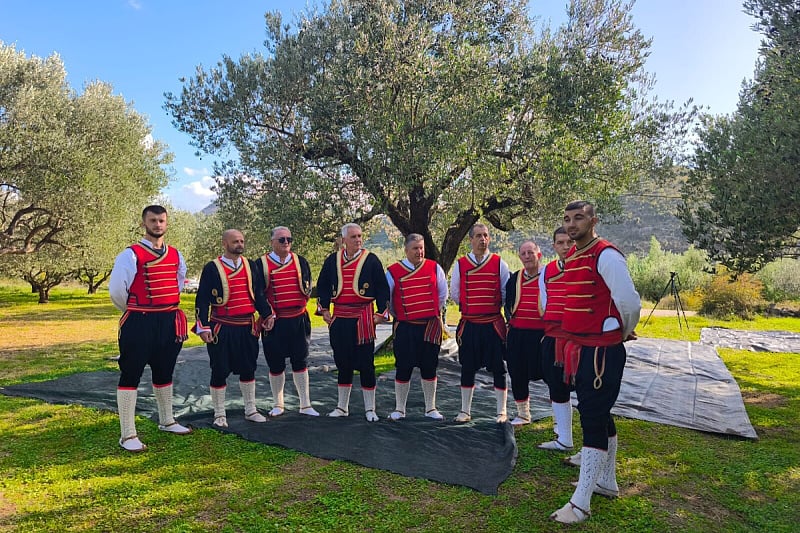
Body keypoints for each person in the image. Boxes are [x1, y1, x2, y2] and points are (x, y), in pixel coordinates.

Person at [549, 201, 641, 525]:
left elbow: (629, 302)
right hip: (583, 349)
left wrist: (620, 332)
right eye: (567, 219)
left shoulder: (606, 255)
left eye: (578, 218)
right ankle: (607, 481)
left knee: (592, 419)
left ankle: (581, 503)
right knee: (600, 415)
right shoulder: (575, 255)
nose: (571, 224)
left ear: (593, 221)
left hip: (602, 352)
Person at [109, 205, 192, 452]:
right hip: (139, 321)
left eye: (161, 220)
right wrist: (138, 309)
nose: (158, 224)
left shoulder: (176, 254)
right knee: (131, 373)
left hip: (168, 321)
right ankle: (127, 434)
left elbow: (178, 283)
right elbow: (117, 291)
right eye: (153, 220)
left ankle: (167, 420)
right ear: (144, 223)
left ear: (167, 223)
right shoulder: (130, 255)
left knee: (165, 371)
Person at [194, 229, 274, 428]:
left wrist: (267, 314)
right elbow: (202, 299)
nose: (240, 244)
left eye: (242, 241)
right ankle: (219, 414)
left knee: (249, 369)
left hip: (247, 327)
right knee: (219, 370)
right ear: (224, 244)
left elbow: (259, 294)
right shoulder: (212, 267)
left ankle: (251, 410)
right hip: (222, 327)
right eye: (235, 241)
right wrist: (203, 327)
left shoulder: (251, 265)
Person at [316, 223, 390, 422]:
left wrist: (380, 313)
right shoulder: (332, 260)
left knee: (366, 365)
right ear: (343, 240)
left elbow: (383, 289)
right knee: (342, 363)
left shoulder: (372, 260)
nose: (358, 240)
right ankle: (342, 407)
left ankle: (370, 409)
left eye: (359, 236)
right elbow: (322, 286)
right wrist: (324, 309)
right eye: (353, 237)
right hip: (340, 319)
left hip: (363, 318)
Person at [449, 223, 511, 423]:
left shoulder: (500, 263)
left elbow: (505, 293)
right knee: (467, 367)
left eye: (485, 235)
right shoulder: (460, 264)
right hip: (470, 325)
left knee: (499, 368)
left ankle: (501, 411)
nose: (482, 239)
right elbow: (455, 293)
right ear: (471, 239)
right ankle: (465, 411)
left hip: (493, 325)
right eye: (478, 236)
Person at [256, 226, 319, 417]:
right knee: (276, 363)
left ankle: (305, 405)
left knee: (301, 361)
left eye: (289, 239)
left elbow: (307, 287)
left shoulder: (301, 261)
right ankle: (278, 404)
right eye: (282, 239)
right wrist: (267, 314)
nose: (286, 243)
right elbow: (257, 294)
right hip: (274, 321)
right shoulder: (261, 264)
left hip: (299, 319)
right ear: (272, 242)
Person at [385, 233, 448, 421]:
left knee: (430, 367)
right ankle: (399, 409)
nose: (419, 252)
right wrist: (402, 316)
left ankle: (430, 408)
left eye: (421, 248)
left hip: (430, 327)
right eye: (415, 248)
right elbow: (388, 301)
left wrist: (429, 313)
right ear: (406, 250)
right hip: (405, 328)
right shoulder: (393, 272)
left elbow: (442, 296)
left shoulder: (435, 268)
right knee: (403, 367)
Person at [538, 227, 579, 458]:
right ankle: (564, 439)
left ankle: (592, 446)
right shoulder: (547, 270)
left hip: (580, 340)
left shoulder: (586, 267)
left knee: (586, 392)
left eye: (569, 242)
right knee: (556, 387)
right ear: (554, 245)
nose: (565, 246)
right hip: (554, 339)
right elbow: (545, 301)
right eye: (560, 242)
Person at [503, 239, 546, 426]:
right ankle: (523, 414)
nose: (527, 256)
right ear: (519, 257)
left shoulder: (548, 276)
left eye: (531, 253)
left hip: (542, 335)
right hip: (518, 334)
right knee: (517, 373)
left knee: (550, 375)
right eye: (523, 253)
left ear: (539, 255)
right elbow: (508, 304)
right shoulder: (514, 278)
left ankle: (559, 417)